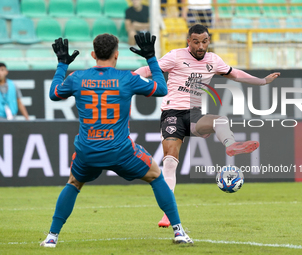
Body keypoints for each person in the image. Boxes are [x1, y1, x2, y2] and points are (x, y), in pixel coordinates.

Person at [40, 33, 193, 247]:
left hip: (88, 150)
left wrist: (62, 64)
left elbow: (54, 94)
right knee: (156, 176)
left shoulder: (77, 77)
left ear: (93, 54)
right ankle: (179, 232)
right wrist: (150, 58)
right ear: (117, 54)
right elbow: (162, 88)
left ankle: (51, 237)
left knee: (74, 183)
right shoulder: (127, 78)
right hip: (121, 150)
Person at [134, 24, 280, 227]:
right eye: (196, 42)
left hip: (194, 115)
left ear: (208, 41)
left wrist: (262, 81)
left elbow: (235, 74)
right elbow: (149, 69)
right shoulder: (175, 56)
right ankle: (168, 214)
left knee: (220, 120)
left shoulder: (213, 60)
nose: (200, 46)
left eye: (204, 41)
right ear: (188, 41)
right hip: (172, 113)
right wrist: (128, 79)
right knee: (169, 162)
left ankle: (230, 145)